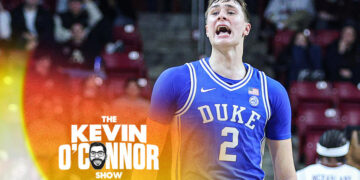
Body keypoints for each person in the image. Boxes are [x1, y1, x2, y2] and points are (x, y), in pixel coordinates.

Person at [132, 0, 296, 179]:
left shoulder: (271, 91)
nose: (222, 15)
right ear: (207, 29)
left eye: (231, 12)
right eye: (214, 12)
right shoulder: (176, 80)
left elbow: (286, 173)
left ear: (246, 29)